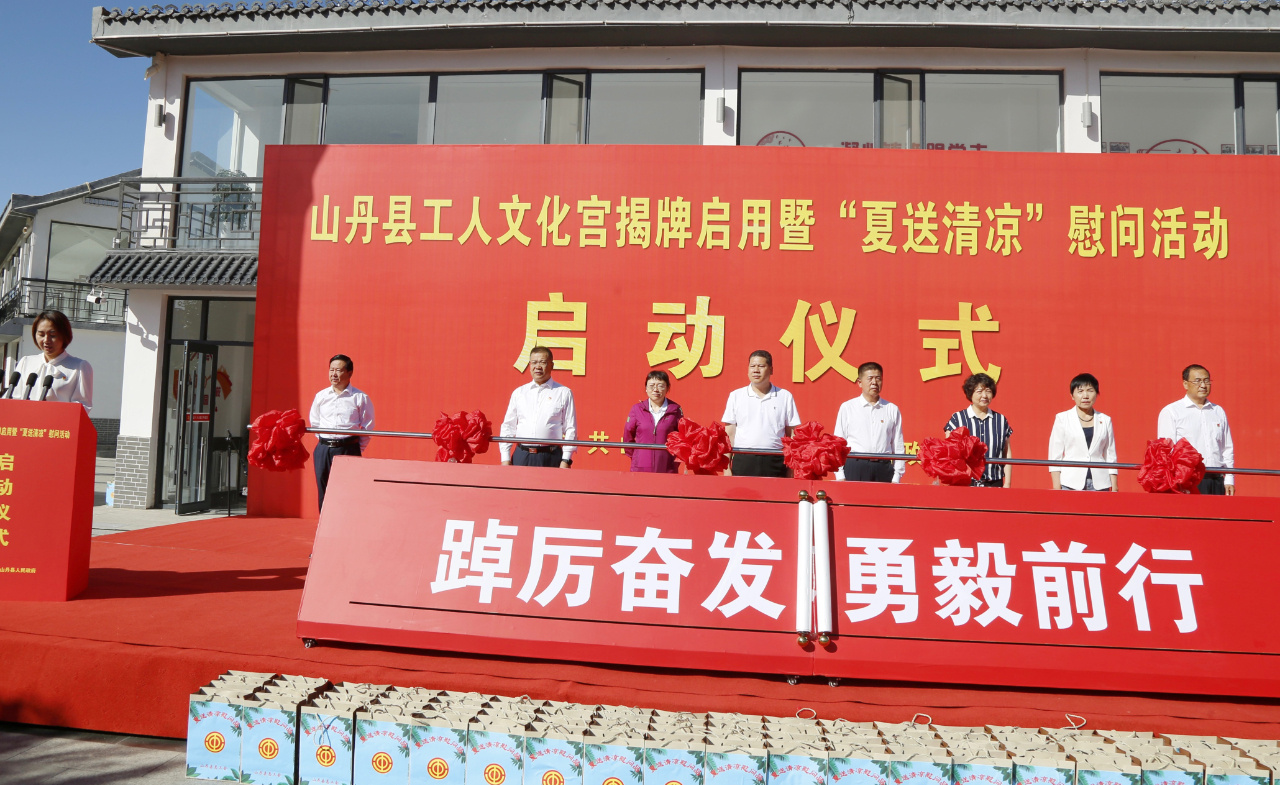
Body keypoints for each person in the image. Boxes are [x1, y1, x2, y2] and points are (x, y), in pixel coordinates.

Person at [308, 353, 374, 511]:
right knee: (324, 489)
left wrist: (354, 448)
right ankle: (325, 522)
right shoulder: (321, 396)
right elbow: (315, 423)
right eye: (331, 370)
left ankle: (347, 523)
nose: (333, 374)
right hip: (323, 449)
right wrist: (327, 441)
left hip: (348, 448)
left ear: (349, 373)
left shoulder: (360, 397)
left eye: (338, 370)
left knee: (348, 489)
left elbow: (368, 427)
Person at [1157, 364, 1234, 495]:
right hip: (1188, 480)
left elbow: (1227, 448)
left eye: (1206, 380)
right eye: (1197, 381)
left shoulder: (1218, 411)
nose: (1203, 385)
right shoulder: (1172, 411)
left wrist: (1229, 479)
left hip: (1217, 479)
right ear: (1185, 384)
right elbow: (1166, 451)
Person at [722, 350, 800, 478]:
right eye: (752, 366)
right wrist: (726, 467)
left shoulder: (785, 396)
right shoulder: (736, 396)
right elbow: (729, 434)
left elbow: (791, 435)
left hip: (775, 460)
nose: (756, 370)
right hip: (744, 459)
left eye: (761, 366)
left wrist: (791, 468)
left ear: (771, 370)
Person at [500, 346, 577, 469]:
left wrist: (566, 459)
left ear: (552, 365)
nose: (538, 366)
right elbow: (508, 426)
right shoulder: (519, 393)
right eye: (534, 362)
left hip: (551, 456)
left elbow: (570, 428)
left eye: (542, 362)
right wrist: (505, 458)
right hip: (522, 455)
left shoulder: (563, 392)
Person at [833, 361, 904, 483]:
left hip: (883, 467)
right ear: (859, 382)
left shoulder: (892, 409)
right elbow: (838, 442)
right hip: (855, 465)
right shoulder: (848, 407)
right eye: (870, 378)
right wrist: (840, 475)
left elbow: (898, 445)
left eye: (878, 378)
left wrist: (896, 477)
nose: (874, 382)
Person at [1047, 373, 1118, 492]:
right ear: (1072, 395)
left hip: (1100, 484)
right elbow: (1055, 455)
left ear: (1096, 394)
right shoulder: (1062, 418)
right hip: (1070, 483)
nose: (1085, 396)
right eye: (1080, 391)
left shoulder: (1105, 420)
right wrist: (1056, 486)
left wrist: (1114, 485)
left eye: (1090, 391)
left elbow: (1110, 454)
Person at [14, 310, 92, 412]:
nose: (46, 340)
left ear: (64, 335)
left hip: (59, 422)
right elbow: (15, 398)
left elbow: (82, 407)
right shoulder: (26, 362)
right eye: (41, 334)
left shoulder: (79, 367)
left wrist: (52, 412)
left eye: (53, 335)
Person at [945, 372, 1012, 488]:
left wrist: (1007, 483)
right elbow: (948, 452)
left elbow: (1007, 453)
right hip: (964, 483)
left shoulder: (1000, 420)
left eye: (988, 391)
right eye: (979, 391)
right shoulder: (957, 419)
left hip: (994, 483)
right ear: (970, 393)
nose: (984, 396)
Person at [622, 370, 683, 473]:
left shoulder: (675, 409)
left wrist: (673, 461)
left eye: (660, 386)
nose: (655, 390)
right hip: (641, 467)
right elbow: (627, 436)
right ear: (646, 388)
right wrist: (637, 456)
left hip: (667, 466)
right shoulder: (637, 409)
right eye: (651, 386)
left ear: (667, 388)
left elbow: (681, 437)